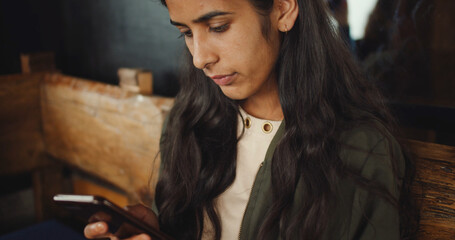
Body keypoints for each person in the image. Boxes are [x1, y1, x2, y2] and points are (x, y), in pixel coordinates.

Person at [84, 0, 416, 239]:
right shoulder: (190, 120)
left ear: (283, 9)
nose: (200, 58)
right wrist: (154, 227)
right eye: (186, 32)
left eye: (217, 27)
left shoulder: (360, 149)